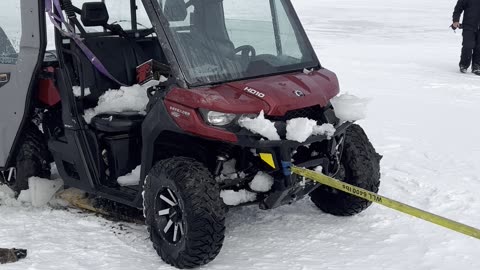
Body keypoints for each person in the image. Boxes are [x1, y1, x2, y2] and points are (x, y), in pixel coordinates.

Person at [452, 0, 480, 74]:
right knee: (468, 45)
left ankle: (476, 66)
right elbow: (458, 8)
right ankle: (464, 65)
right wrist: (455, 20)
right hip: (468, 26)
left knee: (479, 47)